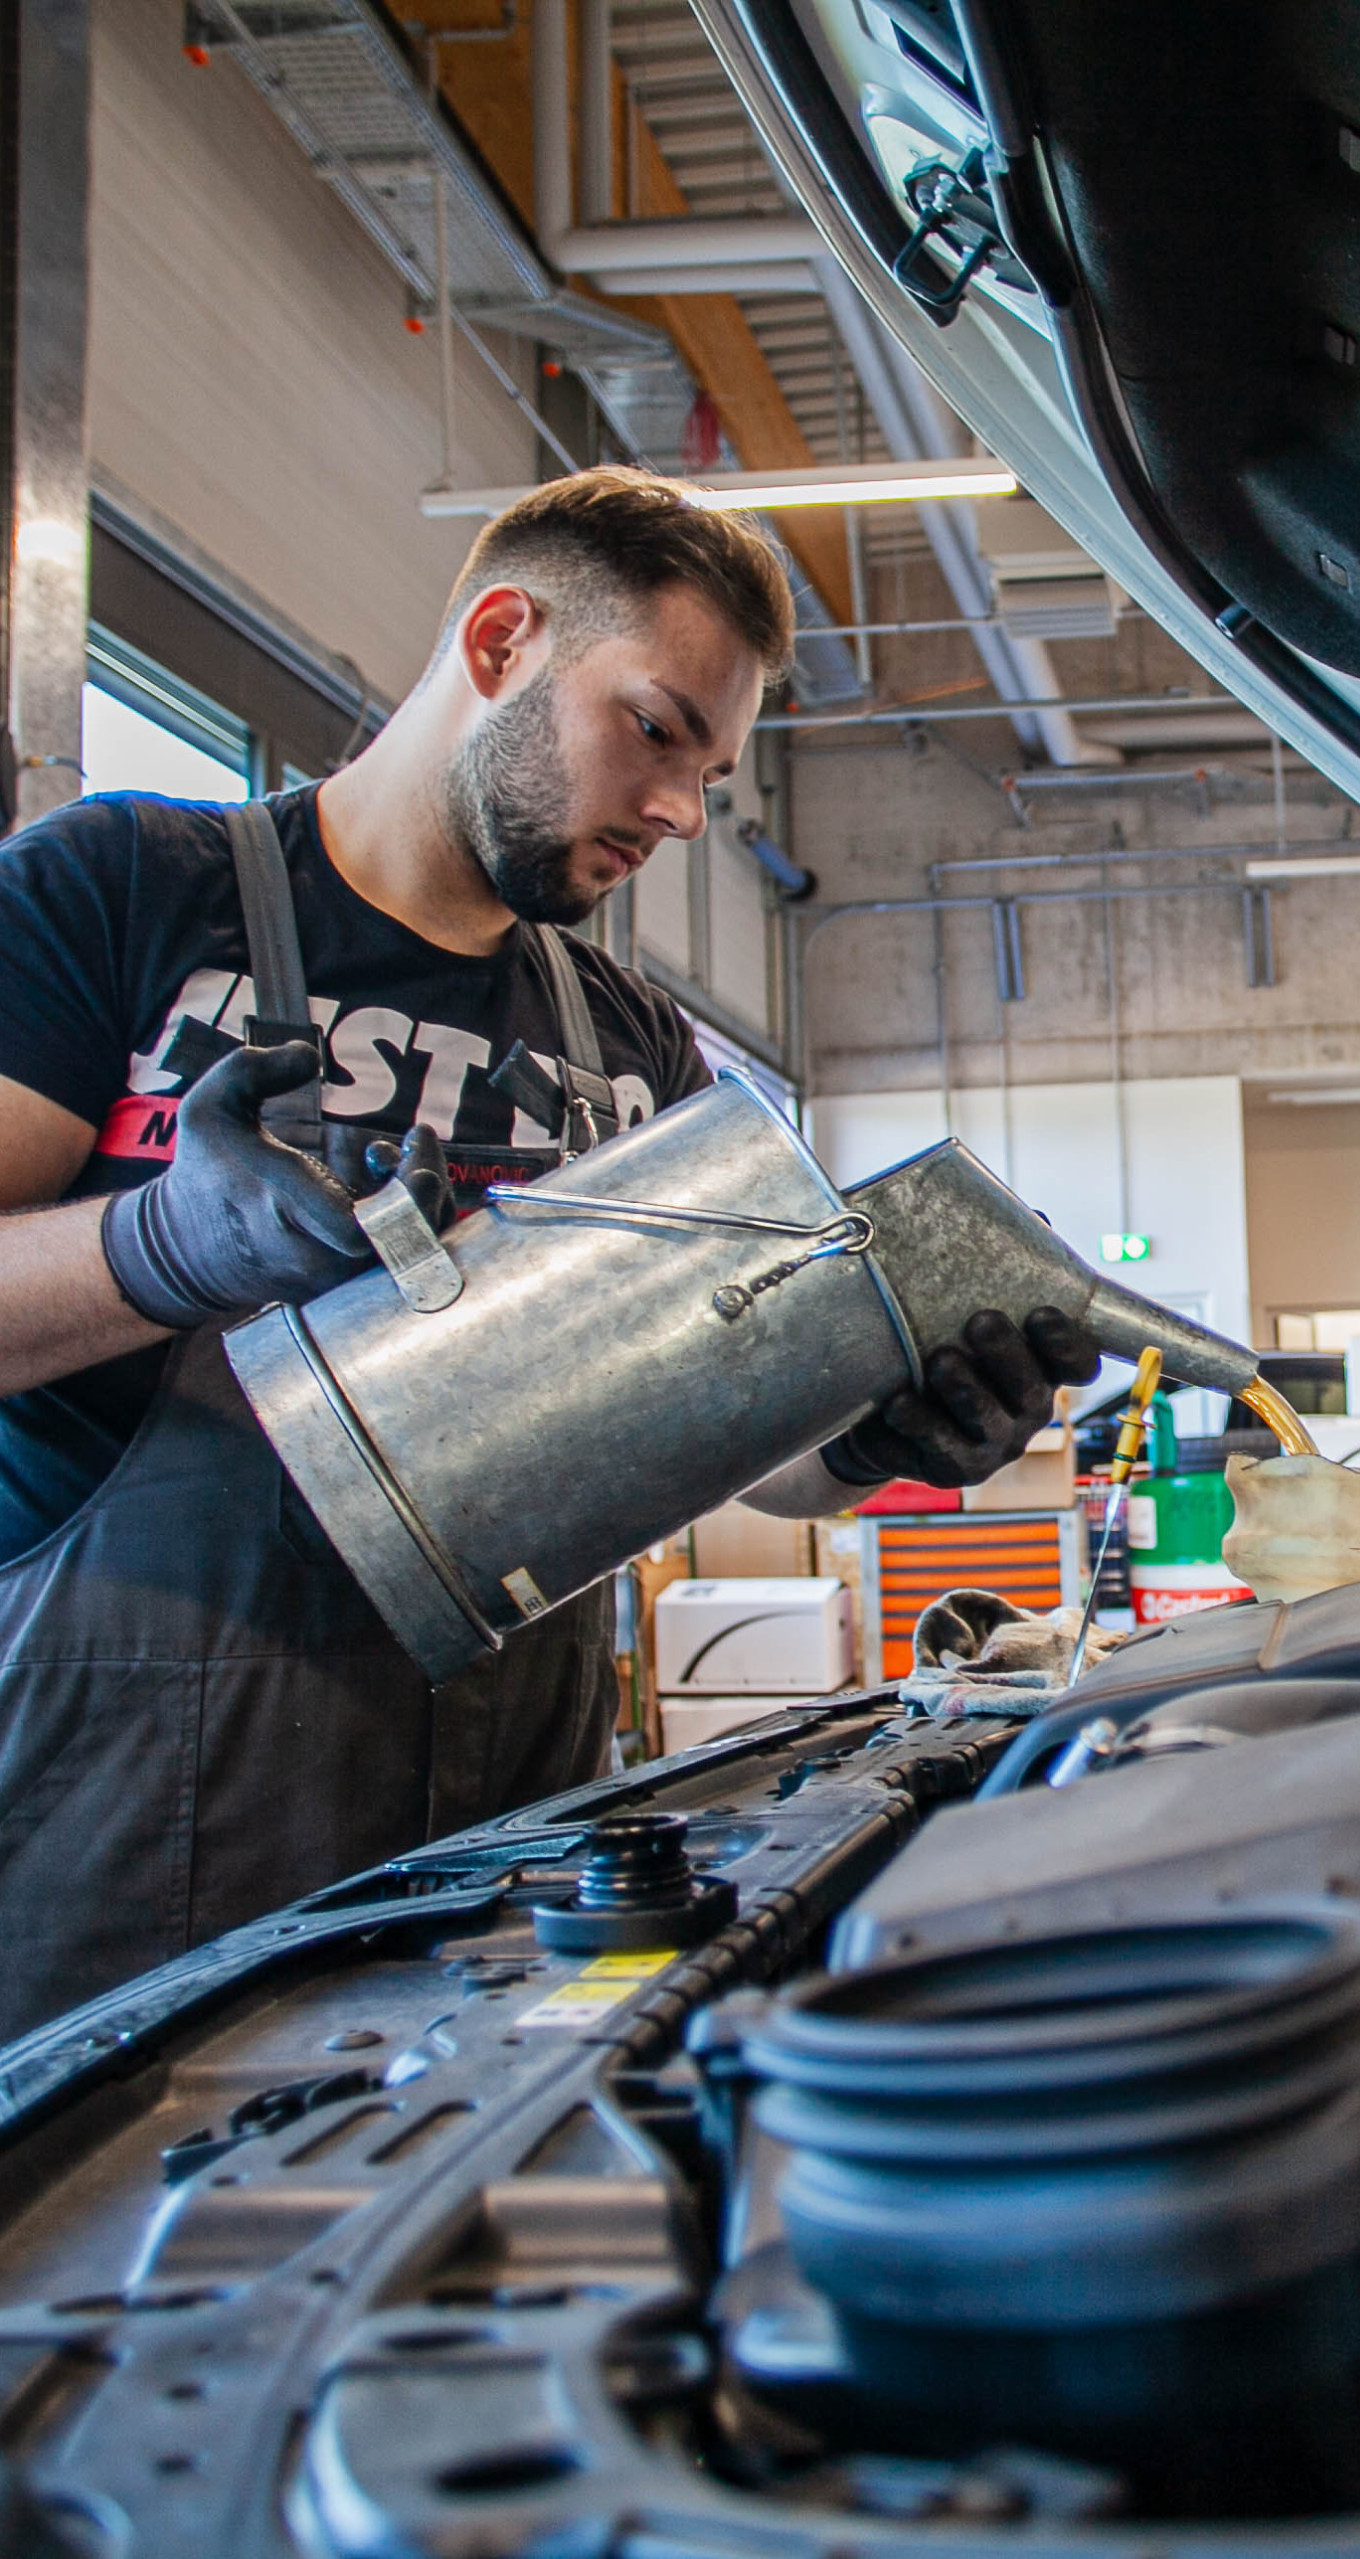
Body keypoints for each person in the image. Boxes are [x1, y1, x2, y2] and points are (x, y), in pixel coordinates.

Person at [0, 467, 1097, 2042]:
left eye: (708, 774)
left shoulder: (634, 1046)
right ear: (502, 639)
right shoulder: (120, 894)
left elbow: (734, 1446)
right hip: (124, 1849)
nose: (680, 813)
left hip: (516, 1855)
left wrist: (867, 1440)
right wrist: (156, 1248)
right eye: (655, 730)